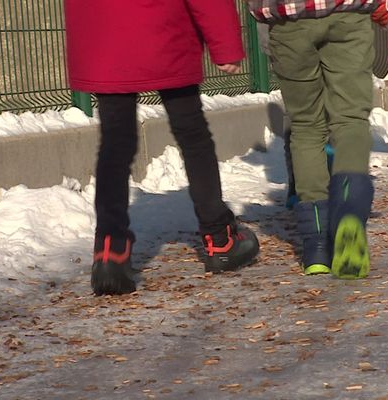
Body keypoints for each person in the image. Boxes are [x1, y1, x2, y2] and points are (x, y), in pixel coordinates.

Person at [64, 0, 260, 296]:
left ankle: (109, 250)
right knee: (192, 133)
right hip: (165, 28)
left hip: (103, 33)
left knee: (115, 143)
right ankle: (220, 238)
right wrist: (226, 44)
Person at [246, 0, 388, 278]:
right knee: (350, 120)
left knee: (305, 126)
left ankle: (315, 248)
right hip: (348, 14)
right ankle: (349, 214)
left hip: (288, 20)